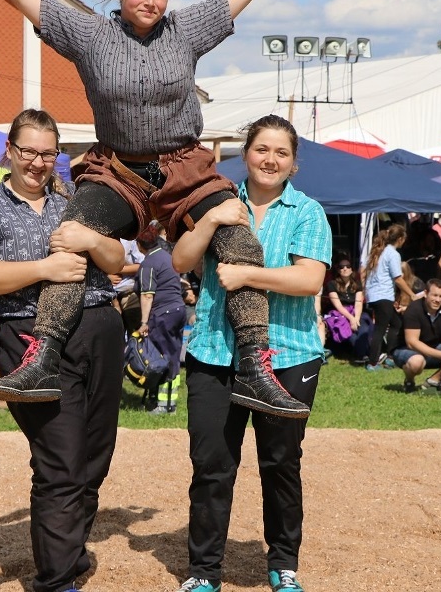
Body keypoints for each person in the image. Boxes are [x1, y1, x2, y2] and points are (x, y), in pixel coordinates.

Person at [0, 0, 305, 419]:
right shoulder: (91, 34)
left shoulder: (185, 31)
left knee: (237, 237)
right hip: (116, 170)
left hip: (185, 166)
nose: (150, 3)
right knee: (70, 240)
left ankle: (256, 367)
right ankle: (41, 358)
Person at [0, 109, 128, 592]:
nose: (37, 162)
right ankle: (55, 579)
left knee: (95, 455)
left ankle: (69, 554)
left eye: (47, 153)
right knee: (60, 458)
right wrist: (44, 267)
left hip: (99, 326)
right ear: (9, 150)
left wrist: (93, 238)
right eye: (28, 150)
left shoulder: (74, 199)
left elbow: (116, 262)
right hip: (28, 332)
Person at [168, 115, 330, 592]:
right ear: (247, 154)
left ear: (294, 164)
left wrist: (247, 275)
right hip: (214, 352)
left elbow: (309, 280)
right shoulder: (218, 202)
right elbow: (180, 260)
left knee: (281, 464)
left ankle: (283, 564)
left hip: (288, 354)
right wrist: (212, 222)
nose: (270, 160)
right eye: (262, 149)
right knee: (211, 466)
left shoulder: (307, 211)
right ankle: (203, 572)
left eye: (281, 153)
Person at [134, 221, 187, 414]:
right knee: (172, 355)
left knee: (161, 357)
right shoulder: (167, 257)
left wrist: (144, 322)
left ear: (140, 246)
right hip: (178, 310)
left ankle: (163, 405)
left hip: (163, 313)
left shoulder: (148, 263)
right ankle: (169, 403)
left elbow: (147, 294)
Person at [363, 224, 415, 371]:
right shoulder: (392, 254)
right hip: (383, 295)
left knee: (396, 323)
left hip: (375, 295)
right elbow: (398, 278)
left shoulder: (380, 252)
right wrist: (411, 294)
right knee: (380, 328)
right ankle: (373, 362)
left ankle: (391, 356)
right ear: (400, 239)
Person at [323, 256, 372, 354]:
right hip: (339, 313)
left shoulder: (357, 284)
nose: (345, 269)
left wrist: (356, 318)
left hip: (356, 311)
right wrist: (351, 318)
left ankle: (363, 353)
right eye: (342, 267)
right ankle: (362, 354)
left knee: (364, 328)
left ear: (351, 269)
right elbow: (338, 305)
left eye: (347, 266)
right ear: (338, 270)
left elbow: (359, 303)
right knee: (346, 329)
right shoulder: (332, 284)